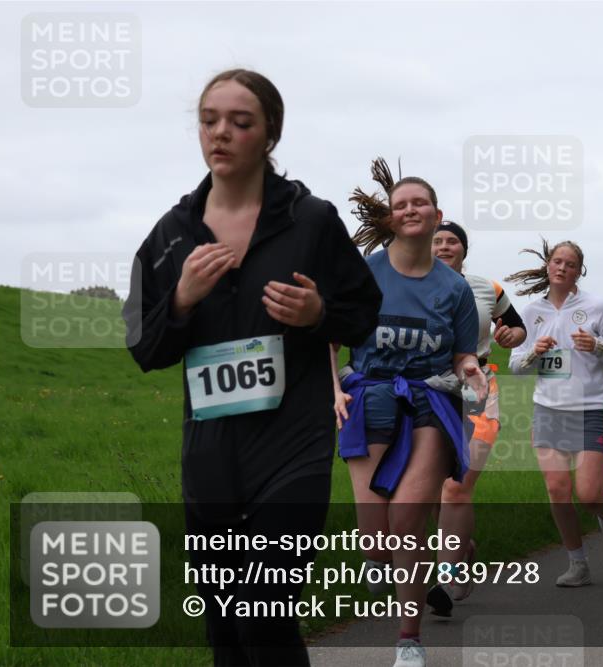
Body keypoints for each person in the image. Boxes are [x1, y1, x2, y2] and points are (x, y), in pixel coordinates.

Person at [122, 69, 382, 665]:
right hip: (211, 455)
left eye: (240, 122)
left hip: (293, 447)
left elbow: (362, 314)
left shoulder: (311, 220)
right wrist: (182, 299)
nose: (221, 133)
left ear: (269, 134)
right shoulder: (171, 235)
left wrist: (319, 313)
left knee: (265, 612)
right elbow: (143, 347)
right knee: (225, 627)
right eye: (209, 120)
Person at [331, 159, 487, 667]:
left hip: (430, 400)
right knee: (376, 541)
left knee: (407, 521)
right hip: (369, 397)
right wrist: (333, 391)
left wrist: (471, 371)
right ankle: (391, 578)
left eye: (419, 202)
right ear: (391, 217)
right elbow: (328, 341)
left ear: (437, 214)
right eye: (402, 205)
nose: (410, 210)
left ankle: (409, 639)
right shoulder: (364, 273)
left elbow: (463, 351)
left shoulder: (454, 288)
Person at [506, 239, 603, 586]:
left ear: (579, 271)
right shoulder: (532, 313)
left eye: (570, 264)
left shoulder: (597, 307)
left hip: (592, 409)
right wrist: (534, 351)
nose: (562, 268)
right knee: (557, 489)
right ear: (548, 266)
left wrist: (598, 345)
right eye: (557, 261)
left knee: (589, 494)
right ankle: (578, 563)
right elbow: (516, 366)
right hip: (548, 409)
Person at [430, 221, 527, 605]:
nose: (443, 246)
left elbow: (516, 327)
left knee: (457, 486)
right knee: (432, 490)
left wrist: (511, 336)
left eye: (452, 241)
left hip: (478, 388)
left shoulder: (488, 287)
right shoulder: (410, 284)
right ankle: (462, 548)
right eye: (436, 240)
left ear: (464, 250)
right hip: (429, 390)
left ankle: (446, 580)